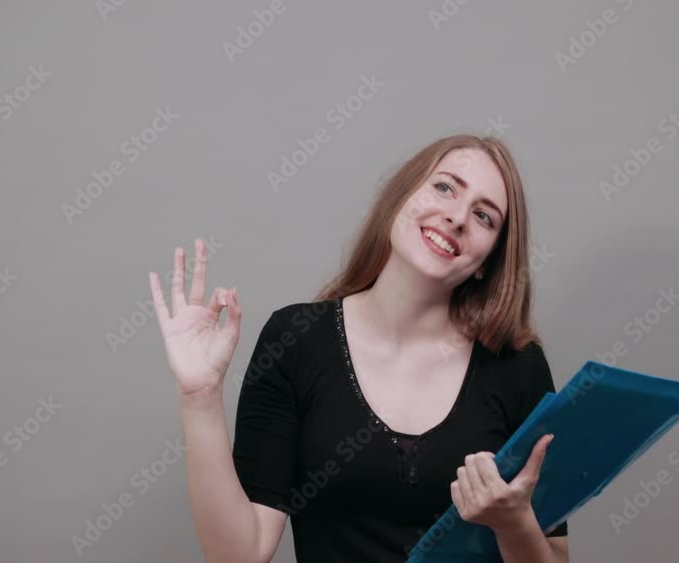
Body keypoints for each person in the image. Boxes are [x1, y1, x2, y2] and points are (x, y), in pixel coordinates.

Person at [148, 134, 569, 563]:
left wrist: (514, 522)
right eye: (444, 187)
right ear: (401, 196)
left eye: (484, 216)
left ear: (486, 264)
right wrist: (198, 398)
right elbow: (240, 555)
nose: (457, 217)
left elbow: (555, 555)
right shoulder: (295, 340)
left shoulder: (518, 367)